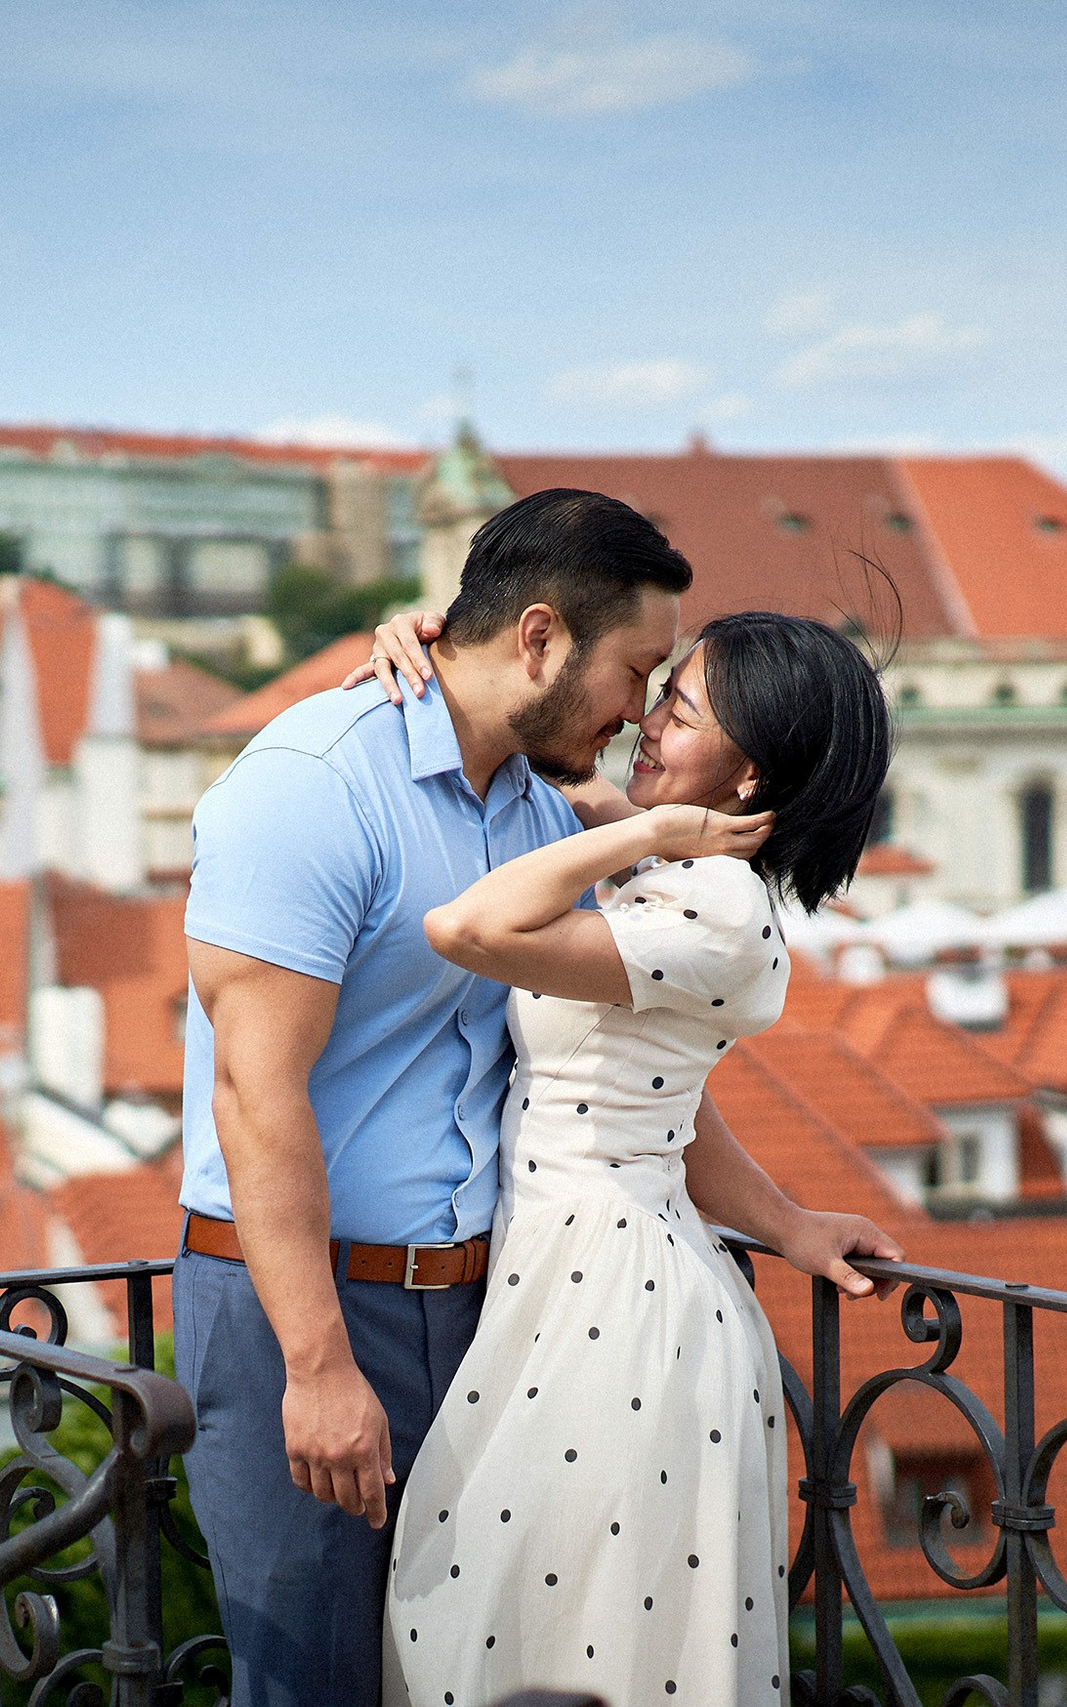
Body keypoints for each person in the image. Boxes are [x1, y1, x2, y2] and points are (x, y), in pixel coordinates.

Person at [374, 610, 906, 1707]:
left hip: (611, 1313)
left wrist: (633, 833)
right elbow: (659, 1104)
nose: (648, 722)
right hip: (580, 1275)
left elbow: (465, 929)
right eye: (659, 694)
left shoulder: (711, 905)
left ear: (746, 775)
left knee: (532, 1637)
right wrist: (789, 1223)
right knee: (520, 1626)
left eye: (681, 710)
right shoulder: (684, 884)